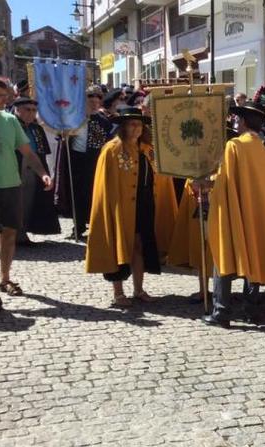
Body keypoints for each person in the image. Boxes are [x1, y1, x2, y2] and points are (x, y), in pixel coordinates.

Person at [202, 102, 265, 327]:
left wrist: (207, 185)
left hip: (235, 208)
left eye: (238, 119)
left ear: (244, 122)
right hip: (258, 211)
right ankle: (251, 308)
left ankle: (222, 311)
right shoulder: (261, 147)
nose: (236, 123)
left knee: (224, 255)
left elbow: (225, 181)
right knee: (254, 253)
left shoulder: (235, 146)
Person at [84, 108, 177, 307]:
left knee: (139, 245)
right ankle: (118, 292)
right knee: (119, 245)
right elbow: (105, 183)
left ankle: (138, 289)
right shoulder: (112, 149)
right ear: (123, 126)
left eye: (139, 124)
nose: (136, 128)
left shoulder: (147, 149)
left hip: (144, 202)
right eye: (132, 124)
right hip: (121, 205)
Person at [0, 81, 53, 304]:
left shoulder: (10, 121)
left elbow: (28, 153)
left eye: (5, 96)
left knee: (10, 233)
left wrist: (42, 173)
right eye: (0, 96)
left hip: (11, 185)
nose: (5, 100)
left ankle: (5, 278)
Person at [55, 85, 113, 239]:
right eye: (90, 101)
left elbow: (108, 140)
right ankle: (78, 225)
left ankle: (95, 224)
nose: (94, 104)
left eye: (96, 102)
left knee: (93, 193)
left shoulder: (103, 121)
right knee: (76, 193)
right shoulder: (75, 118)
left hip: (94, 161)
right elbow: (63, 136)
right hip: (76, 159)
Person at [12, 97, 59, 242]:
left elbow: (42, 153)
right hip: (14, 166)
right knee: (14, 202)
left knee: (28, 201)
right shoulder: (10, 125)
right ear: (17, 110)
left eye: (34, 110)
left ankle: (22, 232)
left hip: (33, 168)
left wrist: (44, 173)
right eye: (28, 110)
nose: (31, 113)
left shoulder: (37, 128)